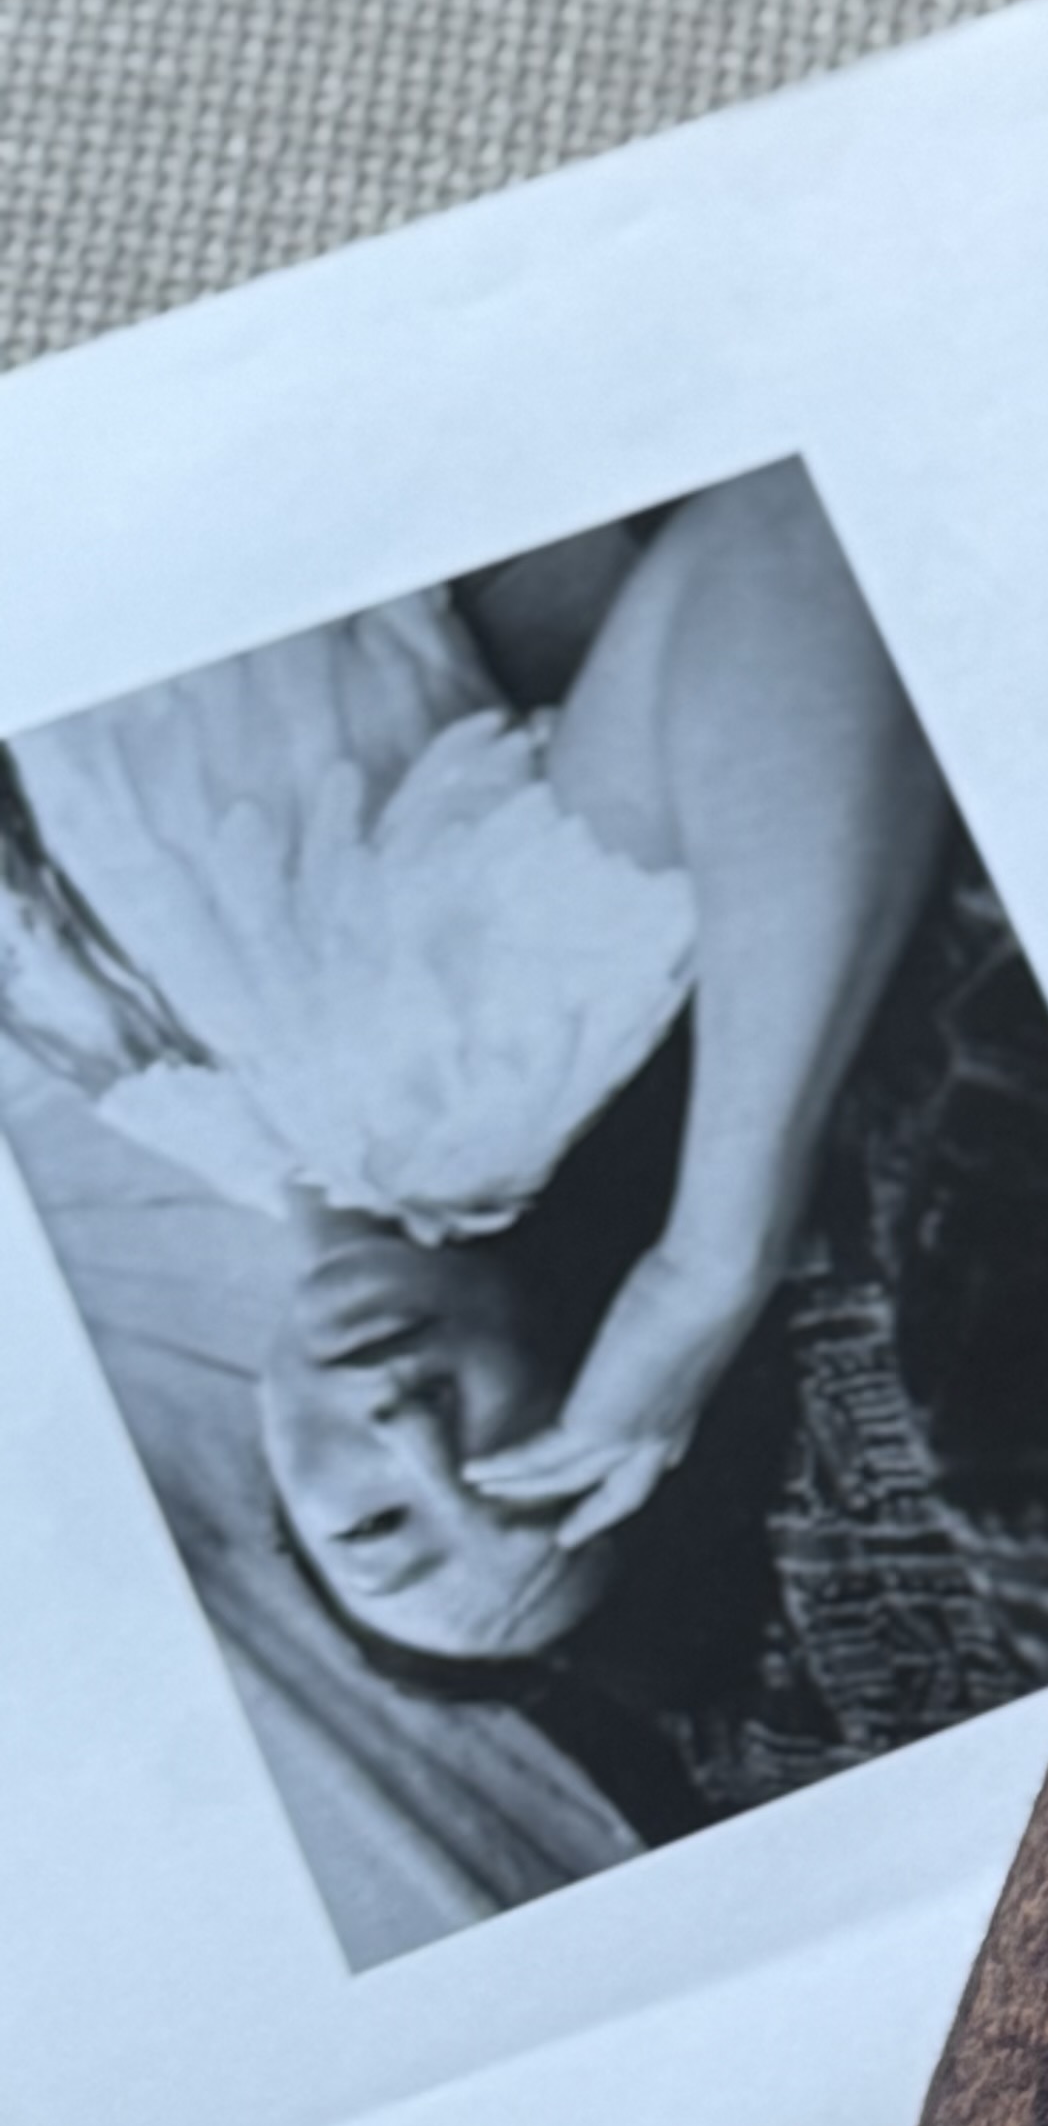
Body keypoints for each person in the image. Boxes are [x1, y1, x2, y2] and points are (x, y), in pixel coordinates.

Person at [3, 463, 948, 1670]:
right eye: (517, 1466)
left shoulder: (235, 1151)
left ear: (281, 1494)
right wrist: (709, 1263)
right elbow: (790, 546)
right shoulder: (467, 1100)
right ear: (600, 1372)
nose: (408, 1431)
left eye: (377, 1525)